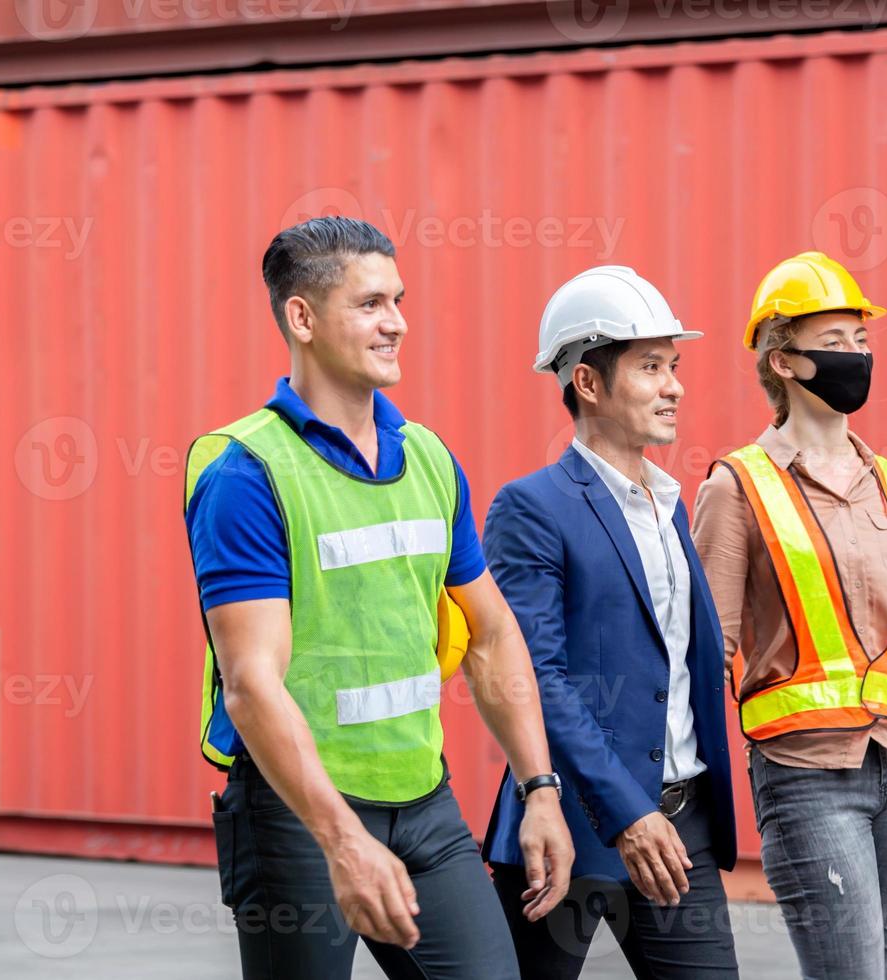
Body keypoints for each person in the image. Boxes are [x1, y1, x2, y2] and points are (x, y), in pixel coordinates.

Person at [183, 217, 574, 979]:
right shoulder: (244, 471)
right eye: (369, 304)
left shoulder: (427, 457)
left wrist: (539, 788)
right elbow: (252, 684)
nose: (396, 322)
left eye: (397, 300)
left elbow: (490, 633)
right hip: (296, 814)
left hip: (423, 802)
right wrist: (341, 840)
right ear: (301, 317)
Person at [692, 250, 887, 980]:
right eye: (834, 343)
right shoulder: (736, 486)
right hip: (806, 776)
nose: (855, 357)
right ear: (782, 361)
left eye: (862, 341)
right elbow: (701, 651)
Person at [482, 266, 738, 978]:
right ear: (588, 384)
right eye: (650, 367)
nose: (674, 386)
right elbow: (538, 674)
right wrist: (626, 812)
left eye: (674, 366)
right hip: (572, 825)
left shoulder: (671, 507)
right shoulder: (531, 507)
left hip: (679, 821)